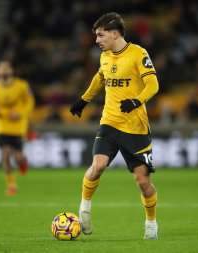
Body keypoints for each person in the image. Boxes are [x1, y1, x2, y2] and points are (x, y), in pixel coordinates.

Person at [70, 12, 160, 239]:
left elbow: (153, 84)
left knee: (143, 181)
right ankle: (84, 209)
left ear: (115, 33)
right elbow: (100, 79)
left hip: (136, 128)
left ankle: (151, 222)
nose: (97, 40)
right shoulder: (105, 57)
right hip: (109, 122)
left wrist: (136, 101)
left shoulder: (138, 54)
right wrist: (84, 100)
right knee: (97, 166)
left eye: (100, 35)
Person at [0, 60, 35, 196]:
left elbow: (30, 103)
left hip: (18, 127)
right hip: (2, 127)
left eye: (6, 68)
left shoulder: (22, 86)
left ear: (11, 71)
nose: (4, 70)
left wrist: (20, 114)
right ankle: (11, 185)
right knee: (5, 153)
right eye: (1, 68)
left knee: (18, 157)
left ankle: (23, 162)